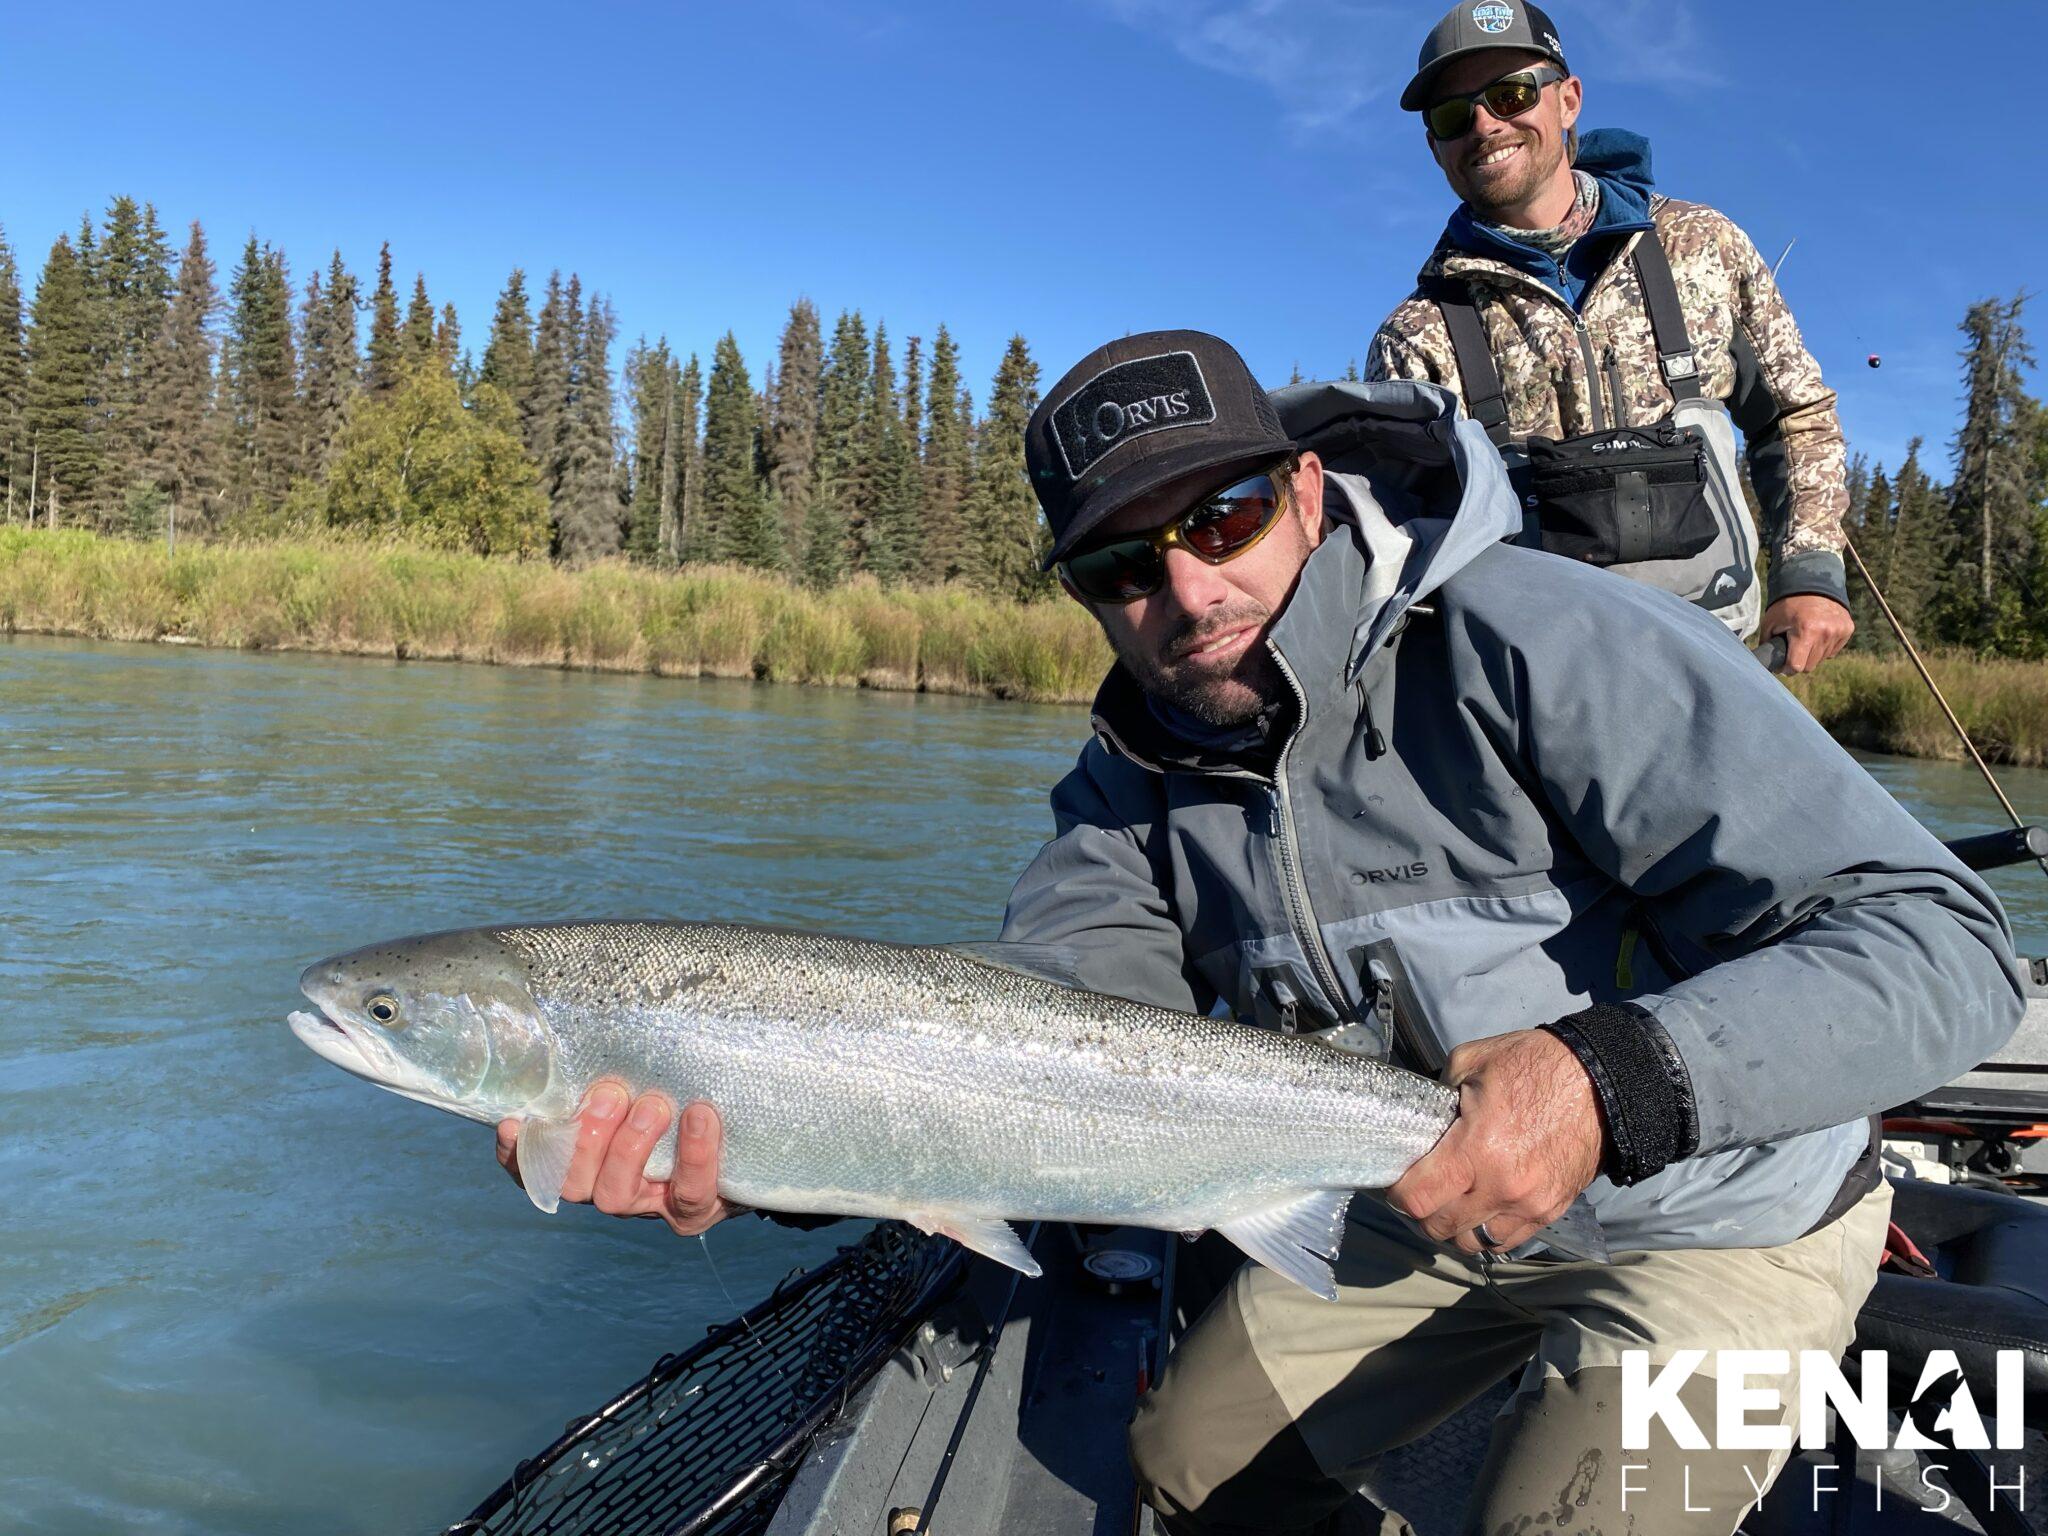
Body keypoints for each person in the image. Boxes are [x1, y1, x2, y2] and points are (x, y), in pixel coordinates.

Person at [499, 331, 2022, 1532]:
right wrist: (762, 1136)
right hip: (1400, 1196)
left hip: (1725, 1217)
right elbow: (1027, 1070)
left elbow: (1943, 943)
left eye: (1219, 515)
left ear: (1302, 492)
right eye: (1120, 565)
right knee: (1186, 1468)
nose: (1186, 587)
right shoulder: (1116, 804)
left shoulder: (1548, 637)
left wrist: (1604, 1080)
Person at [1367, 1, 1856, 674]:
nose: (1484, 124)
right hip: (1531, 699)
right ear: (1435, 147)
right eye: (1453, 115)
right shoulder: (1414, 335)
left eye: (1510, 94)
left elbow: (1795, 418)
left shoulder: (1702, 246)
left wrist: (1810, 571)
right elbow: (1402, 539)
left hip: (1726, 669)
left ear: (1568, 100)